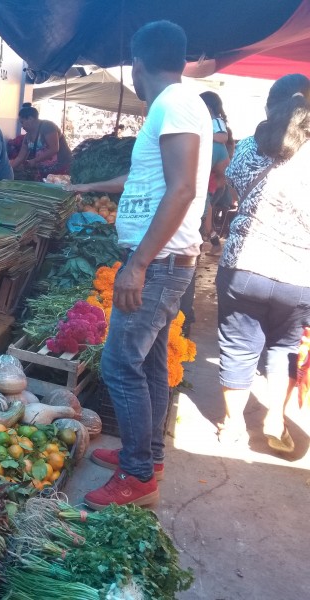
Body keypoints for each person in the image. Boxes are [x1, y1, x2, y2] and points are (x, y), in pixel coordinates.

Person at [69, 21, 212, 509]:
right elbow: (147, 177)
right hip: (161, 260)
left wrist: (139, 264)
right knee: (149, 361)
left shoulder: (173, 103)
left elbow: (183, 187)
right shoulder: (174, 106)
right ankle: (145, 455)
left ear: (137, 63)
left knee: (119, 364)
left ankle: (137, 479)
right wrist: (88, 188)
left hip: (159, 262)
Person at [215, 74, 310, 453]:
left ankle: (232, 425)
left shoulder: (252, 147)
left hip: (244, 265)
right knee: (285, 347)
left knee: (238, 346)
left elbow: (233, 184)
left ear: (270, 106)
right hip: (299, 274)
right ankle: (276, 416)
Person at [199, 91, 233, 252]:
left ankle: (211, 241)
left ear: (208, 106)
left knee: (205, 211)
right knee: (205, 210)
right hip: (213, 178)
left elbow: (222, 137)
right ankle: (211, 241)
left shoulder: (215, 123)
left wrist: (204, 134)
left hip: (212, 178)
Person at [10, 103, 72, 181]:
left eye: (22, 122)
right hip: (46, 173)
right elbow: (20, 158)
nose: (22, 126)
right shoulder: (27, 137)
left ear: (30, 119)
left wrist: (35, 160)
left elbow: (54, 149)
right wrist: (9, 170)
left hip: (61, 170)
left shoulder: (48, 126)